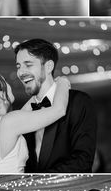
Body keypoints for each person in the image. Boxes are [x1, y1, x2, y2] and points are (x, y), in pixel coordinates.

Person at [15, 39, 97, 173]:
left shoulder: (79, 101)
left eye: (28, 65)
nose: (21, 72)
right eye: (18, 66)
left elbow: (82, 161)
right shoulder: (23, 112)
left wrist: (39, 182)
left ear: (48, 66)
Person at [0, 70, 70, 173]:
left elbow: (23, 115)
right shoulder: (10, 122)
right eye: (5, 81)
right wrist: (62, 82)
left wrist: (45, 90)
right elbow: (59, 110)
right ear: (1, 94)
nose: (8, 84)